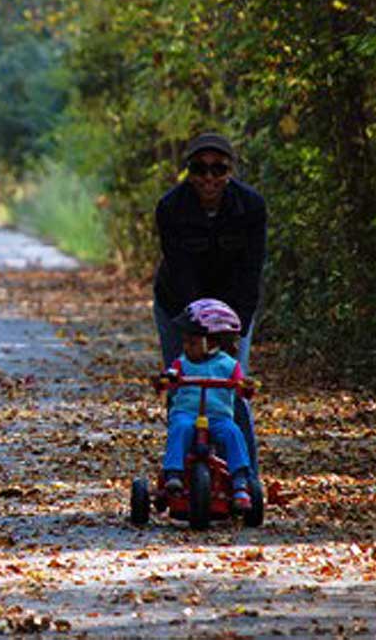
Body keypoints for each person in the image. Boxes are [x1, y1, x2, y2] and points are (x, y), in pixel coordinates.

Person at [153, 132, 266, 473]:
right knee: (184, 384)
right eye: (200, 169)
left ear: (229, 172)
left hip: (234, 308)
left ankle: (243, 476)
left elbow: (251, 271)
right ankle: (183, 470)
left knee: (231, 387)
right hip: (179, 305)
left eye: (218, 169)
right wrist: (198, 330)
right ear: (189, 172)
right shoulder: (171, 208)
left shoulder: (251, 206)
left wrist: (232, 330)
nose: (209, 178)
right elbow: (181, 272)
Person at [160, 299, 255, 510]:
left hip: (218, 417)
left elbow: (242, 389)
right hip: (186, 412)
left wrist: (246, 388)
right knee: (180, 427)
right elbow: (170, 377)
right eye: (185, 342)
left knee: (233, 433)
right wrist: (164, 381)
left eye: (192, 343)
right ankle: (173, 473)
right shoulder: (182, 363)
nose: (186, 347)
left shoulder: (229, 365)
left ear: (212, 343)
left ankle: (240, 481)